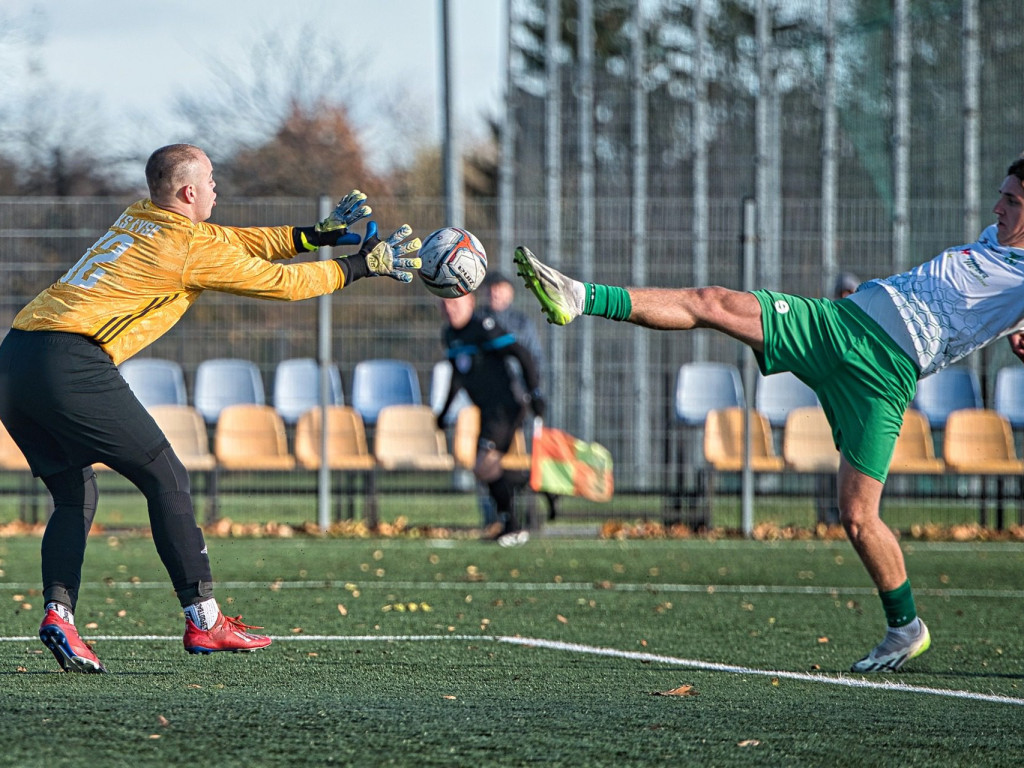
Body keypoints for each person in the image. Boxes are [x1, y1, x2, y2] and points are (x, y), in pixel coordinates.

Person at [512, 154, 1024, 674]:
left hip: (883, 377)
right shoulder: (993, 238)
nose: (996, 206)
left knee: (857, 516)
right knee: (713, 301)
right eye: (1002, 194)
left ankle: (905, 628)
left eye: (1012, 200)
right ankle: (580, 296)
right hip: (839, 324)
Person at [0, 143, 421, 673]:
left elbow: (236, 241)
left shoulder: (139, 216)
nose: (217, 187)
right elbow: (284, 285)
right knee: (167, 478)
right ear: (188, 192)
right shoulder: (188, 249)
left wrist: (314, 236)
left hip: (15, 357)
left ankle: (59, 615)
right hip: (69, 361)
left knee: (73, 493)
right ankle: (204, 619)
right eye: (211, 179)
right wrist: (363, 265)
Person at [435, 292, 545, 546]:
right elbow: (458, 375)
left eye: (455, 302)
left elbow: (522, 353)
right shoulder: (450, 335)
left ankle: (517, 520)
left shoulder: (484, 328)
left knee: (484, 466)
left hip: (506, 407)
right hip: (487, 411)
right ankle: (517, 514)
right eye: (444, 303)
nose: (449, 308)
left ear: (471, 302)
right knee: (486, 469)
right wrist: (443, 412)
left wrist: (535, 392)